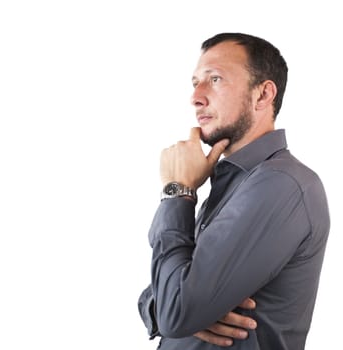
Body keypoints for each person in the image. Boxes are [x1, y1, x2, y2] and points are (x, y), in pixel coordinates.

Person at [137, 32, 330, 349]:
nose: (196, 97)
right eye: (195, 82)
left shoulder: (280, 184)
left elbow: (177, 309)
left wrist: (177, 191)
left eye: (214, 79)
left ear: (263, 95)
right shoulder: (232, 183)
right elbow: (160, 296)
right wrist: (170, 308)